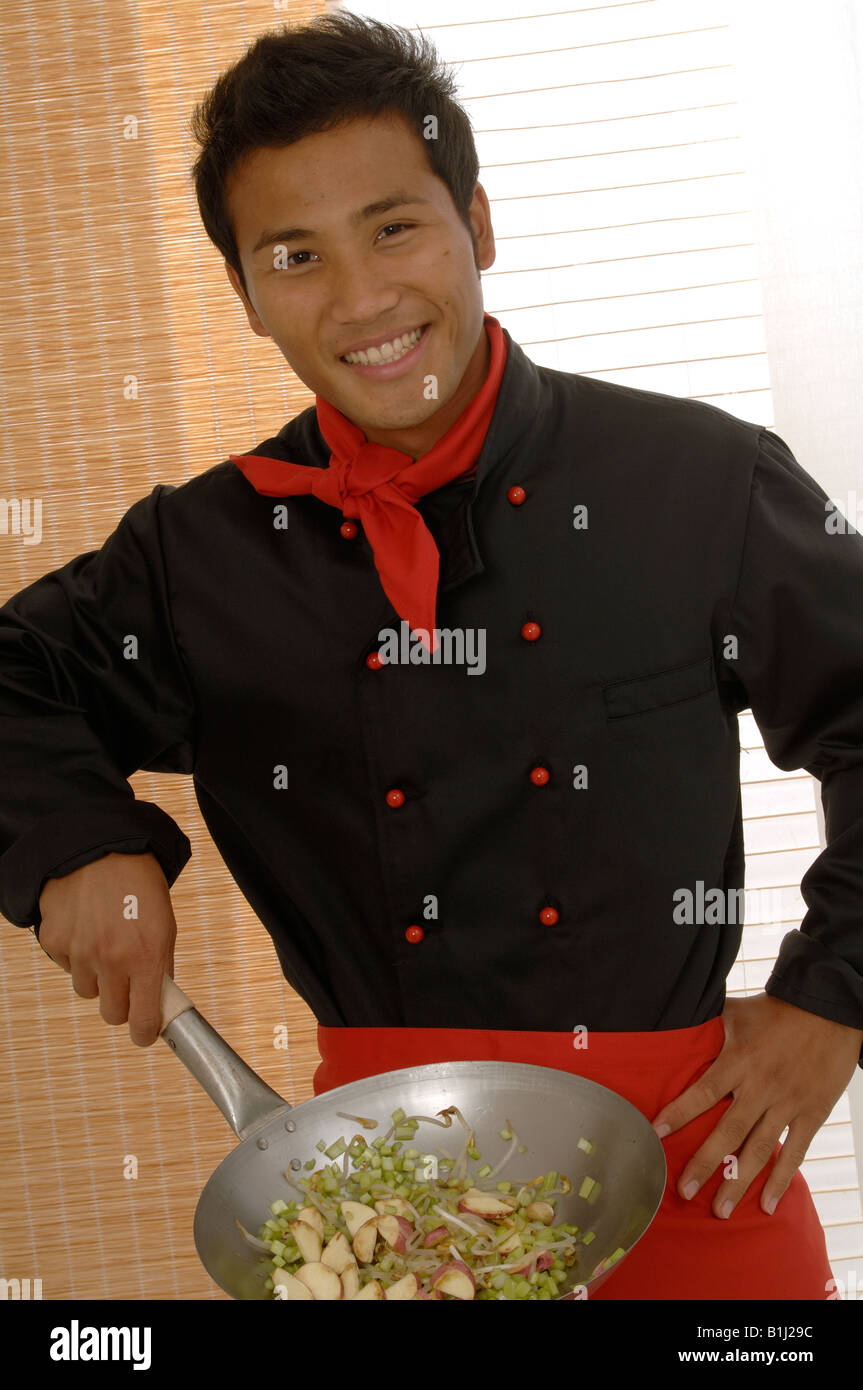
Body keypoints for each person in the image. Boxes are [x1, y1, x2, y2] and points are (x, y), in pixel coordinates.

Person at [1, 13, 861, 1300]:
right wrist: (76, 838)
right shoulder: (202, 555)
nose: (360, 299)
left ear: (478, 223)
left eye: (394, 226)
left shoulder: (693, 481)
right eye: (294, 255)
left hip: (693, 1171)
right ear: (242, 292)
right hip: (379, 1205)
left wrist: (830, 1002)